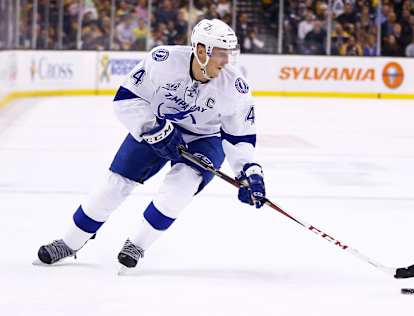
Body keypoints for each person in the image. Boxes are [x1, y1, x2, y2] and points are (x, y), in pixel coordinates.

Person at [37, 19, 266, 269]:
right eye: (221, 54)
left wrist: (249, 173)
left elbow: (240, 137)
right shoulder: (163, 60)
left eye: (229, 55)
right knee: (114, 185)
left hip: (204, 138)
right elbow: (125, 100)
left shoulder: (235, 87)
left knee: (181, 187)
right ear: (201, 51)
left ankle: (137, 244)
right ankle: (71, 242)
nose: (226, 62)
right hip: (157, 125)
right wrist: (153, 129)